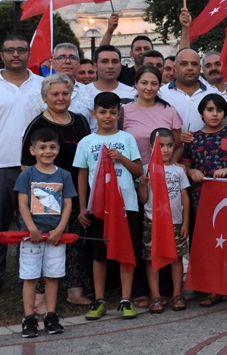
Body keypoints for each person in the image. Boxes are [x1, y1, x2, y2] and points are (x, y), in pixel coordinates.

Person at [21, 74, 91, 306]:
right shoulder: (37, 125)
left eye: (65, 93)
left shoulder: (80, 121)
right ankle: (40, 296)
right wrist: (38, 196)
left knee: (74, 240)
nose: (61, 98)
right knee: (44, 241)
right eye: (55, 94)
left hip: (76, 191)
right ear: (44, 97)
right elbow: (25, 164)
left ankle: (74, 290)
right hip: (46, 193)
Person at [74, 92, 144, 321]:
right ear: (94, 114)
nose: (107, 116)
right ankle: (99, 299)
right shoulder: (87, 142)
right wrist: (83, 207)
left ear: (119, 114)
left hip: (127, 205)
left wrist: (121, 158)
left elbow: (139, 171)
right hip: (99, 207)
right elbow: (82, 176)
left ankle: (126, 299)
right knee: (99, 254)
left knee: (126, 252)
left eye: (112, 112)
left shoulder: (127, 139)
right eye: (102, 112)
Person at [180, 94, 227, 306]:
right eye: (210, 110)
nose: (214, 114)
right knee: (209, 245)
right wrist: (192, 170)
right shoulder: (193, 138)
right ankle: (212, 290)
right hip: (202, 198)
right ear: (201, 113)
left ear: (224, 113)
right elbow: (183, 165)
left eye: (219, 110)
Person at [0, 35, 44, 298]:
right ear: (1, 54)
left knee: (37, 226)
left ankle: (36, 281)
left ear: (29, 53)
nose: (16, 54)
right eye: (10, 50)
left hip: (36, 168)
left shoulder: (42, 84)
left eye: (21, 50)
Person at [15, 128, 76, 338]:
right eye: (42, 148)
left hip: (56, 237)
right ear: (32, 150)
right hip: (31, 236)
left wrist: (60, 229)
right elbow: (22, 203)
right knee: (30, 277)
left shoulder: (64, 175)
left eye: (52, 147)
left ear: (58, 149)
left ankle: (51, 315)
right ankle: (29, 318)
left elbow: (68, 204)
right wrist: (31, 227)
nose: (47, 151)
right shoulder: (27, 174)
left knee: (53, 275)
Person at [136, 128, 190, 314]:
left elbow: (185, 198)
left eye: (169, 146)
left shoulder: (179, 170)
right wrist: (142, 184)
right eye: (161, 146)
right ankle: (156, 296)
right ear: (151, 147)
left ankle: (177, 294)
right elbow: (143, 200)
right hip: (153, 223)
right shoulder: (146, 169)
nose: (166, 150)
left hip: (175, 222)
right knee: (152, 259)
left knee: (176, 258)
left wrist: (185, 223)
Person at [123, 66, 183, 166]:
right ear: (136, 84)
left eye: (154, 84)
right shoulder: (123, 111)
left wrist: (171, 166)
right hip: (132, 174)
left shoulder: (169, 111)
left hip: (162, 175)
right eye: (144, 83)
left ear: (159, 86)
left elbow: (178, 146)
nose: (149, 88)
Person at [73, 46, 136, 130]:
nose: (110, 66)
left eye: (115, 61)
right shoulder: (81, 93)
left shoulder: (132, 94)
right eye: (105, 61)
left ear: (120, 66)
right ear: (95, 66)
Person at [159, 49, 221, 132]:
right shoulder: (161, 94)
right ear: (175, 68)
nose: (190, 68)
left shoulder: (213, 93)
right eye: (184, 64)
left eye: (194, 64)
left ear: (199, 68)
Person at [99, 13, 153, 87]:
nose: (142, 52)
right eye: (138, 49)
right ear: (131, 54)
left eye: (146, 49)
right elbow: (102, 53)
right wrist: (109, 31)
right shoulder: (123, 73)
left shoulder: (160, 72)